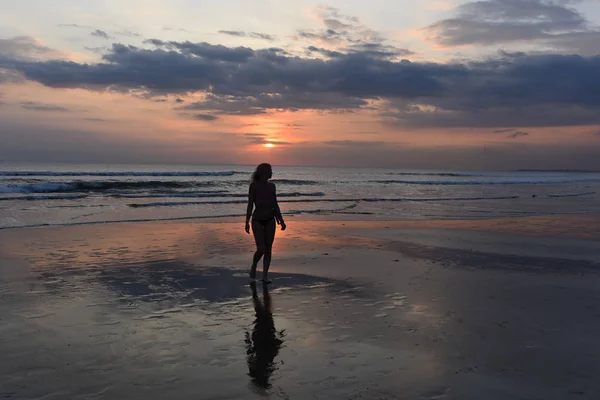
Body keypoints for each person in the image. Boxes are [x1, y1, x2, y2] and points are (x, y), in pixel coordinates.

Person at [245, 163, 286, 284]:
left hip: (270, 220)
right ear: (264, 172)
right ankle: (254, 265)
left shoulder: (272, 186)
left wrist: (281, 219)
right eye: (270, 170)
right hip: (257, 219)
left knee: (268, 250)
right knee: (261, 249)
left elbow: (275, 204)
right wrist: (247, 221)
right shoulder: (254, 186)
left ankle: (265, 276)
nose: (272, 173)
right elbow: (250, 204)